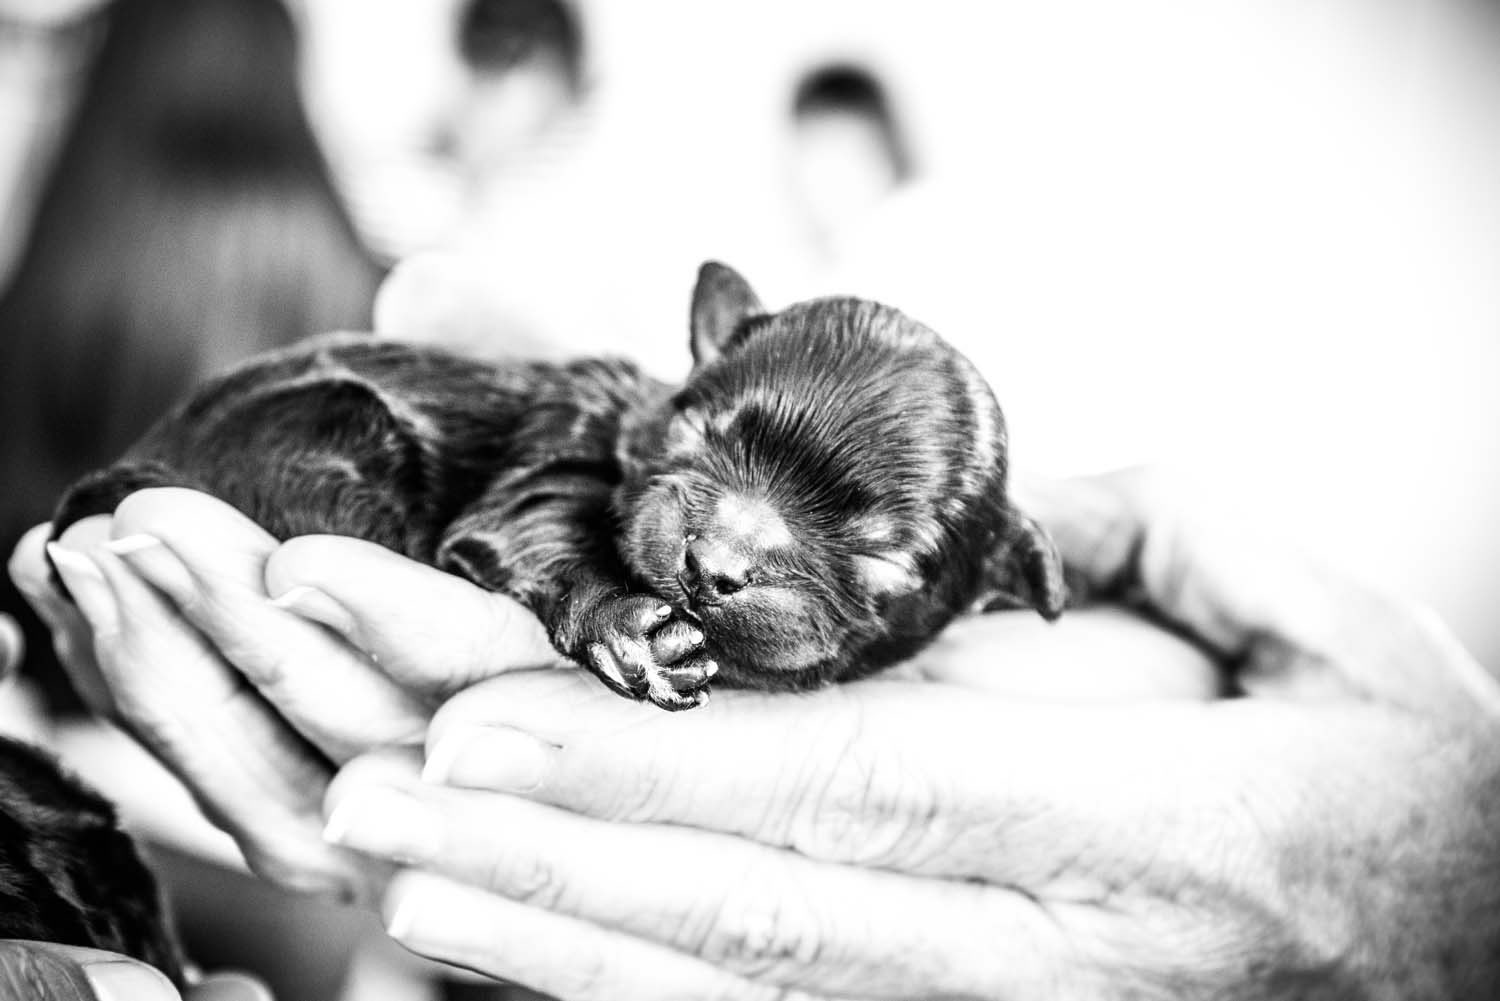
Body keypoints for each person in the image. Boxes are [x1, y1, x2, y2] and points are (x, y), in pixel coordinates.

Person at [10, 271, 1498, 996]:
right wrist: (594, 607)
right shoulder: (587, 440)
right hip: (312, 460)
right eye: (710, 446)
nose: (723, 548)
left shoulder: (1039, 612)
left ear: (997, 582)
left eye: (868, 551)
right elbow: (512, 533)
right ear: (700, 363)